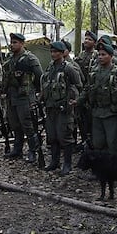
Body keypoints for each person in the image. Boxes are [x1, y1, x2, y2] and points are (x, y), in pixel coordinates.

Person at [79, 43, 117, 153]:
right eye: (99, 54)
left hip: (112, 113)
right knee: (98, 142)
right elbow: (87, 89)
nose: (100, 57)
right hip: (97, 112)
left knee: (112, 142)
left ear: (111, 56)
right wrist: (78, 101)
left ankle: (114, 166)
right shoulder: (93, 72)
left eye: (104, 54)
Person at [0, 33, 43, 162]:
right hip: (12, 96)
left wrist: (36, 94)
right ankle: (17, 150)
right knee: (14, 124)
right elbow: (6, 77)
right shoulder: (10, 59)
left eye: (15, 42)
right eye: (11, 42)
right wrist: (2, 90)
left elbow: (40, 77)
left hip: (25, 97)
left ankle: (33, 151)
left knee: (28, 125)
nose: (12, 45)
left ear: (22, 44)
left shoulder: (30, 58)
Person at [40, 41, 82, 174]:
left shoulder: (69, 68)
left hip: (64, 108)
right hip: (50, 107)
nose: (53, 54)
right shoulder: (50, 68)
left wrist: (74, 100)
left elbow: (79, 84)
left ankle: (67, 164)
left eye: (56, 52)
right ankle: (54, 161)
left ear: (63, 53)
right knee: (52, 136)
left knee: (65, 136)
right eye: (51, 52)